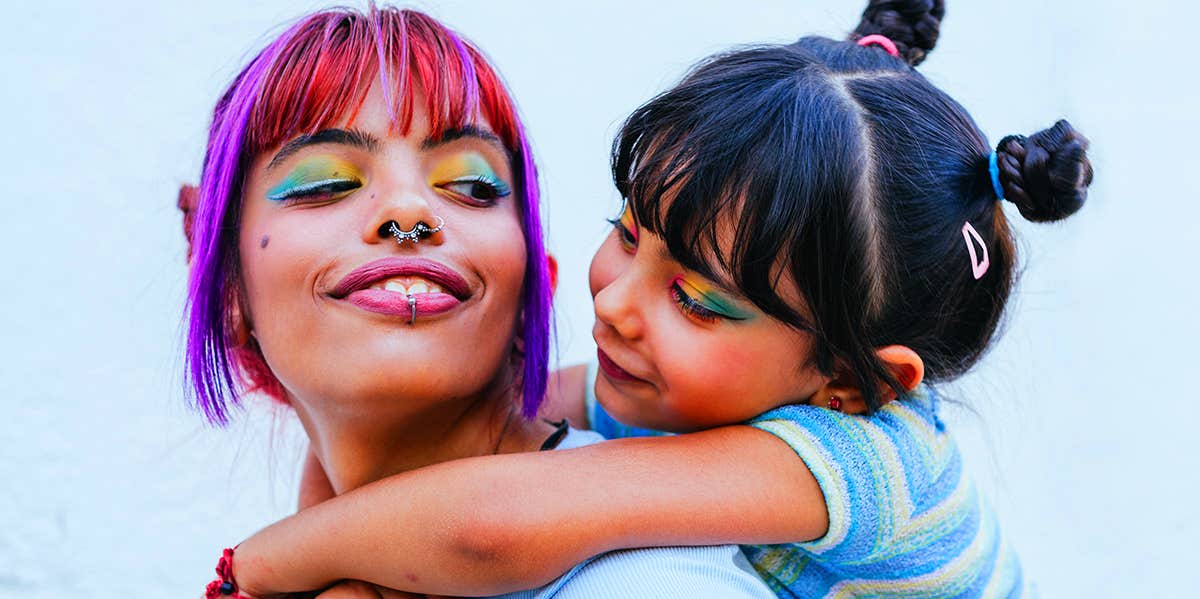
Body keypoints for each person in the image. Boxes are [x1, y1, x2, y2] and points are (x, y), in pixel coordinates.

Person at [222, 1, 1094, 597]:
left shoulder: (860, 456)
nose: (615, 307)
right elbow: (469, 435)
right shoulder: (684, 380)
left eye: (697, 300)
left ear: (857, 383)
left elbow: (489, 522)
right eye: (630, 234)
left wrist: (258, 566)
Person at [184, 5, 774, 599]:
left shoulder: (644, 581)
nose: (409, 214)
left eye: (471, 186)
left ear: (532, 289)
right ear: (227, 291)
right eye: (326, 183)